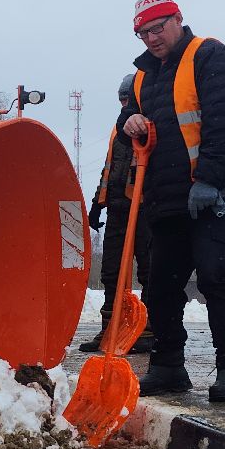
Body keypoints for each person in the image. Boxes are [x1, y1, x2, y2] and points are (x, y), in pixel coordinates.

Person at [117, 0, 225, 402]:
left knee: (215, 277)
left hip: (215, 192)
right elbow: (129, 123)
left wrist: (209, 179)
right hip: (166, 196)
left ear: (177, 19)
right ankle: (168, 367)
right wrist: (131, 121)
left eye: (157, 28)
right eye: (143, 34)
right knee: (161, 285)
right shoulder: (144, 76)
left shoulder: (211, 57)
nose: (152, 39)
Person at [79, 74, 154, 355]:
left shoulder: (148, 123)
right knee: (112, 272)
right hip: (118, 208)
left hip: (145, 207)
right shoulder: (118, 128)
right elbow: (110, 168)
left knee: (148, 271)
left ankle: (147, 330)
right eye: (121, 99)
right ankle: (110, 328)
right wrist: (98, 203)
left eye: (128, 98)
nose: (124, 103)